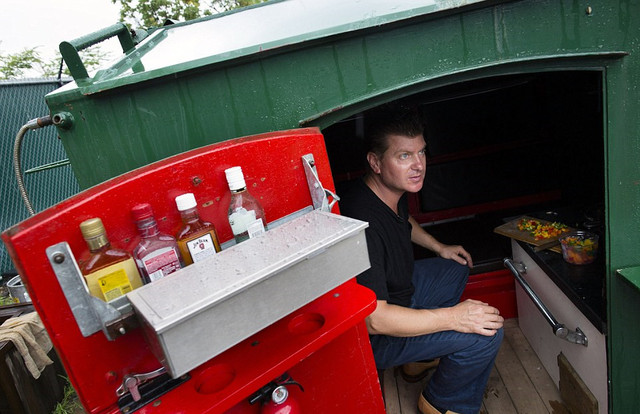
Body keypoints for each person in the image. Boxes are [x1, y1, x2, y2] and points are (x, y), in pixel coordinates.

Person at [339, 104, 504, 414]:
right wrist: (453, 317)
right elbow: (374, 319)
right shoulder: (362, 224)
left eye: (422, 153)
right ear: (375, 162)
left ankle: (416, 362)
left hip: (400, 293)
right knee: (487, 333)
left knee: (452, 268)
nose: (418, 165)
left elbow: (403, 218)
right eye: (404, 156)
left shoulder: (385, 191)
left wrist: (438, 246)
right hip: (374, 339)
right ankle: (441, 404)